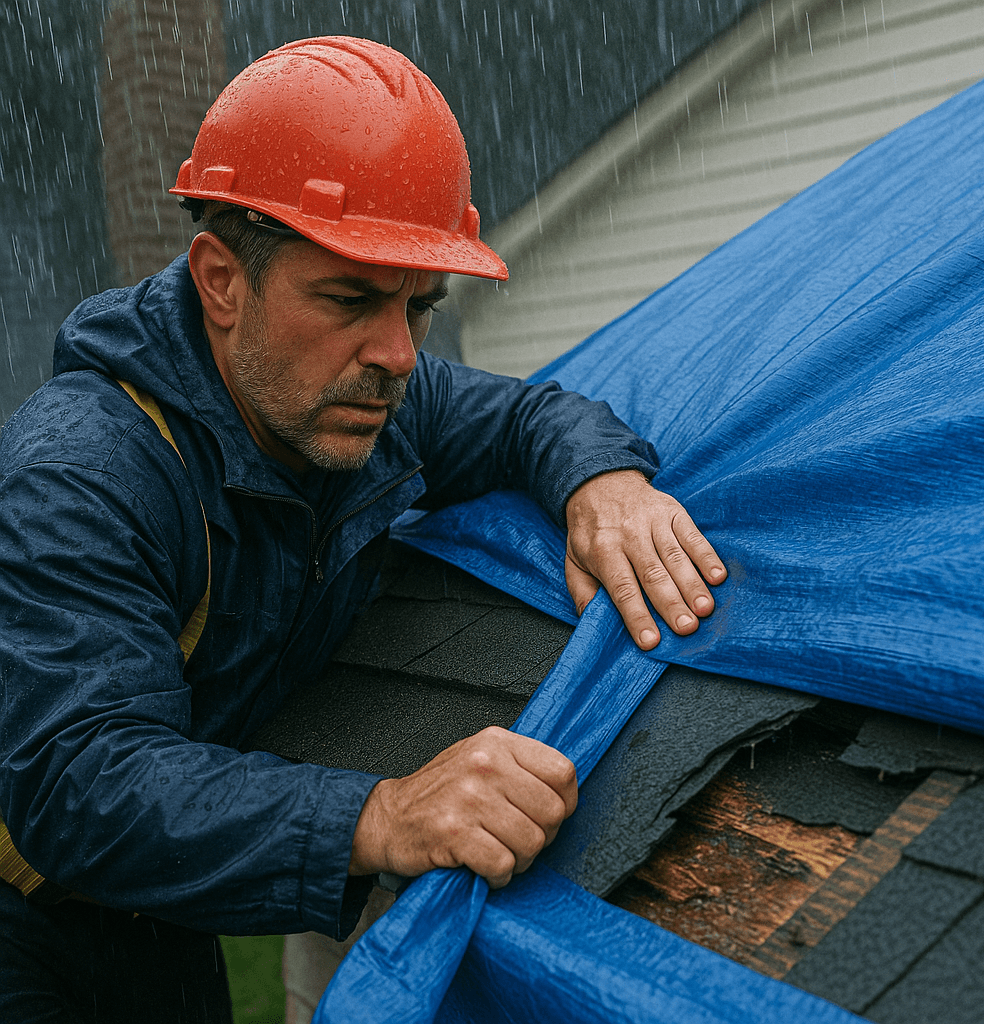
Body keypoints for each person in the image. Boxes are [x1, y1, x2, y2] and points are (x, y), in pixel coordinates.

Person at [0, 36, 726, 1022]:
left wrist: (603, 483)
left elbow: (524, 418)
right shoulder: (84, 472)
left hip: (152, 906)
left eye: (418, 307)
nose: (393, 353)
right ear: (220, 279)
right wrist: (378, 814)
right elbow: (79, 782)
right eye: (348, 299)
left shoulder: (358, 399)